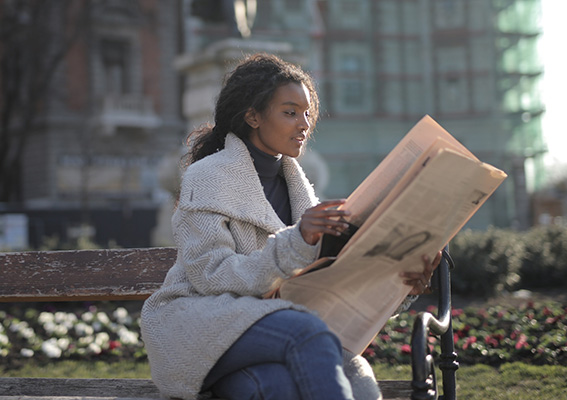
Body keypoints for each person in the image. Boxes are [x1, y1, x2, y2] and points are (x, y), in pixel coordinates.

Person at [141, 53, 440, 400]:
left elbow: (328, 285)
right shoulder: (208, 176)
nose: (304, 123)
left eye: (307, 112)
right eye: (290, 112)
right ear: (253, 116)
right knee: (308, 332)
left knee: (289, 384)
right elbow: (211, 275)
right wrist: (297, 240)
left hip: (267, 336)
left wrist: (401, 282)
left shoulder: (302, 193)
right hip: (201, 325)